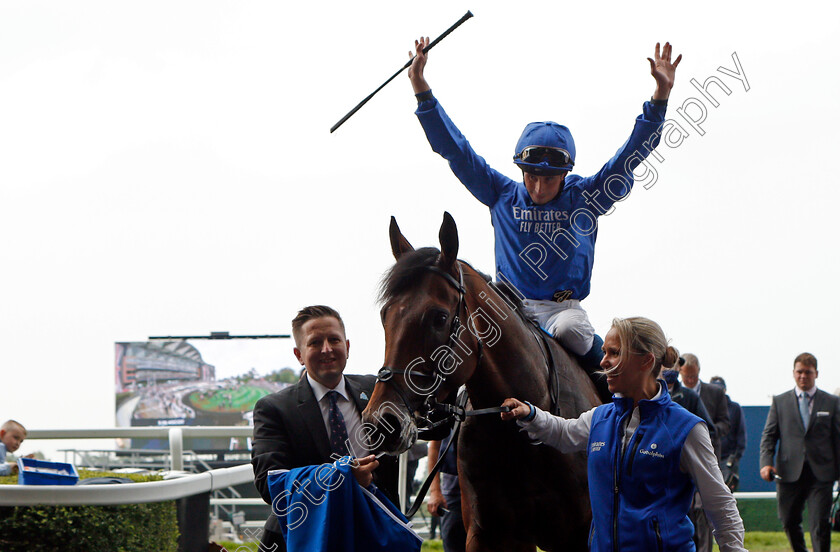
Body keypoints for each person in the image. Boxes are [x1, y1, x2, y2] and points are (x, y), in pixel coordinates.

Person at [408, 37, 681, 382]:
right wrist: (421, 89)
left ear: (565, 176)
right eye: (531, 177)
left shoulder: (586, 197)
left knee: (571, 331)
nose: (538, 188)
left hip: (562, 313)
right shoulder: (500, 193)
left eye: (549, 180)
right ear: (521, 171)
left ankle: (620, 400)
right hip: (507, 308)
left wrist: (659, 100)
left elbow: (629, 157)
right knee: (465, 346)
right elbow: (456, 150)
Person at [500, 316, 746, 552]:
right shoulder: (600, 418)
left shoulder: (686, 429)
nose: (603, 361)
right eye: (604, 351)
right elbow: (563, 432)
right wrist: (530, 413)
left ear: (646, 361)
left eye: (614, 353)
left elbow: (720, 504)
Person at [251, 305, 399, 552]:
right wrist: (343, 478)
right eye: (315, 342)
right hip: (304, 537)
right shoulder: (273, 408)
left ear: (348, 347)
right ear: (299, 354)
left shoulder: (376, 390)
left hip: (375, 535)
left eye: (334, 340)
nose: (327, 349)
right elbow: (270, 484)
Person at [760, 353, 840, 552]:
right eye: (799, 372)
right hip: (789, 473)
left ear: (816, 374)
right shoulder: (780, 401)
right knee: (788, 520)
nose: (803, 376)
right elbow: (769, 435)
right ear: (794, 373)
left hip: (821, 474)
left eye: (808, 372)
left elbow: (838, 439)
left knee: (820, 525)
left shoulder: (831, 402)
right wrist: (766, 462)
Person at [678, 353, 731, 552]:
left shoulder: (715, 394)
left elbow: (726, 423)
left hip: (707, 458)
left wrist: (706, 433)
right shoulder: (675, 394)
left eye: (693, 377)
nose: (690, 381)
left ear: (699, 372)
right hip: (680, 462)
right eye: (686, 377)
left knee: (704, 513)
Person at [427, 426, 467, 552]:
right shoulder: (448, 407)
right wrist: (435, 491)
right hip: (454, 492)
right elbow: (434, 446)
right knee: (453, 543)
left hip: (487, 492)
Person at [709, 376, 747, 492]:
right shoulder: (704, 406)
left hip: (728, 461)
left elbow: (741, 434)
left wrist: (735, 457)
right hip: (709, 458)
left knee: (727, 493)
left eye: (721, 390)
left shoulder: (735, 408)